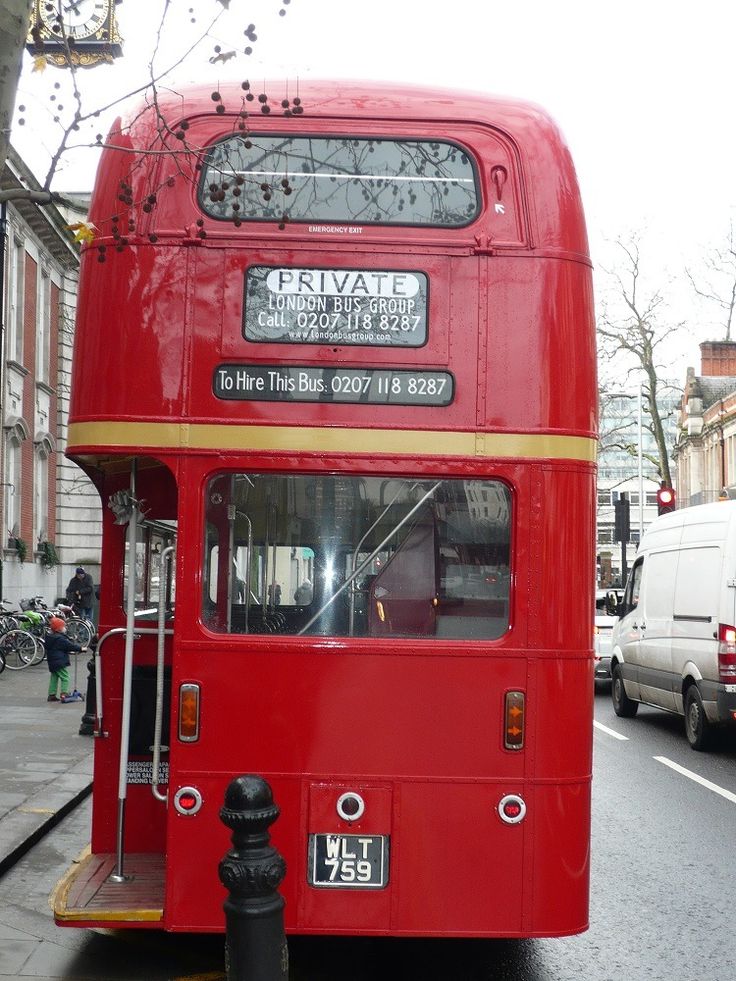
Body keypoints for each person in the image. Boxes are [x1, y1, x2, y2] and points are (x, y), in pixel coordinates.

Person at [45, 616, 85, 703]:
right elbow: (70, 646)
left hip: (52, 661)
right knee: (65, 677)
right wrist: (81, 649)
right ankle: (64, 694)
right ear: (58, 629)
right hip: (59, 661)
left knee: (54, 677)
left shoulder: (50, 637)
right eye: (63, 627)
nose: (65, 628)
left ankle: (51, 694)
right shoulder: (60, 639)